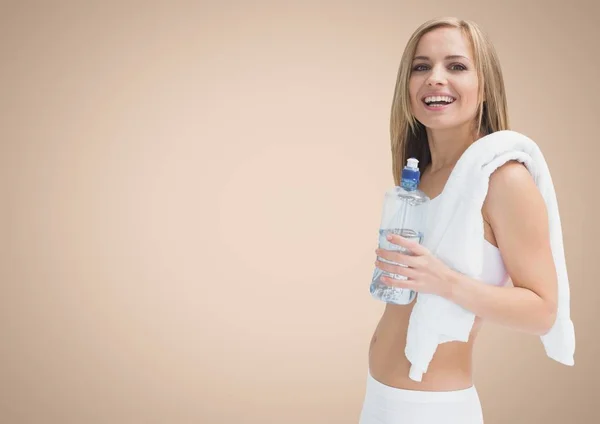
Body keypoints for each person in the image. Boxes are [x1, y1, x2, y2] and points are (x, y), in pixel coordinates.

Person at [359, 17, 559, 424]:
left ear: (484, 86)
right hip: (379, 400)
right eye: (421, 67)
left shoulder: (503, 179)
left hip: (432, 411)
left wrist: (443, 281)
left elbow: (543, 312)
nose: (435, 78)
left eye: (456, 66)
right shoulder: (422, 175)